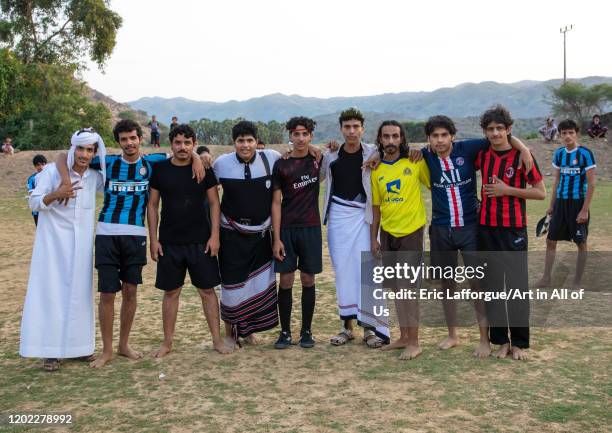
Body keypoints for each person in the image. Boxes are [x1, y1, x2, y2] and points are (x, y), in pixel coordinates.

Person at [55, 119, 203, 368]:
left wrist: (198, 157)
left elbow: (184, 151)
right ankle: (107, 350)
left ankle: (124, 344)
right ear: (118, 142)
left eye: (133, 138)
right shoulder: (107, 162)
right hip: (106, 233)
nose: (129, 143)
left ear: (140, 138)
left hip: (135, 234)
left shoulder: (154, 162)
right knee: (107, 293)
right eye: (124, 139)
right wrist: (65, 181)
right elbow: (62, 156)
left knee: (131, 292)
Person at [421, 115, 533, 356]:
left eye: (444, 135)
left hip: (471, 228)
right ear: (428, 139)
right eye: (434, 136)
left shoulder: (469, 148)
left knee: (478, 284)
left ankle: (485, 339)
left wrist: (523, 147)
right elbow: (393, 151)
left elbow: (500, 138)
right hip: (441, 228)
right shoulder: (424, 155)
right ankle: (452, 335)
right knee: (446, 284)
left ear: (453, 136)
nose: (440, 141)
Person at [20, 129, 105, 371]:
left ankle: (78, 348)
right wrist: (57, 194)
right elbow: (34, 202)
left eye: (89, 150)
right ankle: (50, 352)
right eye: (80, 149)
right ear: (73, 148)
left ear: (95, 153)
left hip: (81, 248)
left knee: (80, 295)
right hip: (53, 246)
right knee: (52, 295)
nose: (84, 154)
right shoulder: (50, 172)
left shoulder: (94, 177)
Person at [148, 124, 232, 356]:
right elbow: (153, 205)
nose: (182, 147)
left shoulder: (205, 169)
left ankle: (217, 340)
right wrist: (153, 239)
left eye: (187, 143)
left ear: (193, 144)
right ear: (171, 144)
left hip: (201, 241)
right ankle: (167, 342)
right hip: (169, 242)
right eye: (178, 142)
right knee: (171, 292)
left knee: (207, 291)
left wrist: (215, 236)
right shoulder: (160, 170)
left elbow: (215, 203)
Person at [476, 105, 546, 361]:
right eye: (490, 129)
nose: (495, 133)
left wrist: (508, 190)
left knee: (515, 288)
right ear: (485, 132)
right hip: (486, 229)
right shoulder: (482, 154)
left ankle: (519, 343)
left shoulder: (521, 157)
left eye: (500, 129)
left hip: (513, 229)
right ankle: (501, 341)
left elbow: (540, 192)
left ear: (508, 130)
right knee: (493, 288)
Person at [322, 108, 390, 348]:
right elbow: (315, 170)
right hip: (339, 219)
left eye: (356, 127)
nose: (351, 131)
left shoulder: (373, 152)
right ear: (341, 129)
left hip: (364, 217)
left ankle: (370, 329)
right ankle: (347, 327)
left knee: (367, 271)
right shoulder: (330, 155)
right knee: (343, 272)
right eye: (347, 127)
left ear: (362, 128)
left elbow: (396, 152)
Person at [213, 120, 281, 347]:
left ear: (256, 142)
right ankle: (231, 333)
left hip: (261, 234)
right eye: (240, 141)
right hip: (230, 234)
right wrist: (196, 157)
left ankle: (249, 331)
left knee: (257, 284)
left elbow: (296, 156)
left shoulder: (271, 158)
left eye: (249, 140)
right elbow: (209, 194)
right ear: (234, 142)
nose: (245, 145)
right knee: (232, 285)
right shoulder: (221, 164)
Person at [370, 120, 430, 360]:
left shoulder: (415, 162)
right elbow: (376, 208)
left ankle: (415, 342)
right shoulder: (376, 169)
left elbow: (434, 183)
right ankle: (404, 336)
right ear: (380, 140)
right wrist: (374, 238)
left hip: (411, 232)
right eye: (386, 136)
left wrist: (422, 152)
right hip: (388, 233)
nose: (391, 141)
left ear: (402, 138)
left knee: (408, 288)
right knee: (395, 289)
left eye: (395, 136)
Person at [271, 117, 324, 349]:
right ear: (290, 136)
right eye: (296, 134)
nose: (300, 138)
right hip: (287, 229)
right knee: (286, 279)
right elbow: (275, 202)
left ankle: (306, 331)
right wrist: (277, 237)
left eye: (305, 134)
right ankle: (285, 332)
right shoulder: (281, 164)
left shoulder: (318, 160)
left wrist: (318, 149)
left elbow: (336, 150)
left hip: (311, 228)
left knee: (308, 278)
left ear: (311, 136)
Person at [536, 119, 596, 290]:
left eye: (571, 132)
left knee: (580, 242)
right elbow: (556, 181)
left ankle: (577, 282)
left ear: (576, 133)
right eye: (564, 133)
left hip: (578, 203)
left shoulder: (585, 154)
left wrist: (584, 210)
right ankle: (546, 279)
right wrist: (551, 205)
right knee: (550, 240)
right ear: (560, 134)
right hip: (561, 203)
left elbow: (591, 183)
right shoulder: (559, 153)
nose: (567, 136)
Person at [27, 154, 48, 226]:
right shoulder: (32, 179)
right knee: (41, 234)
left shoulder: (51, 177)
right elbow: (32, 194)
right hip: (37, 211)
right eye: (38, 165)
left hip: (49, 210)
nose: (41, 167)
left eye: (43, 164)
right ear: (35, 166)